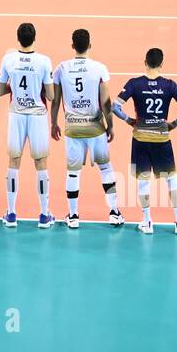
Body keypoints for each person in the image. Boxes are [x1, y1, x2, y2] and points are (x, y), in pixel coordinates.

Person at [112, 48, 177, 235]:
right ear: (161, 63)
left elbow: (115, 107)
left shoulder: (134, 84)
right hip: (161, 139)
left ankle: (147, 221)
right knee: (171, 179)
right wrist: (173, 124)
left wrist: (128, 120)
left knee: (143, 181)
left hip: (140, 138)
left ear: (145, 62)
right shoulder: (169, 85)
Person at [50, 28, 120, 229]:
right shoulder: (99, 68)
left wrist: (54, 123)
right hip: (96, 129)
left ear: (73, 46)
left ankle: (73, 216)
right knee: (106, 169)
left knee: (73, 173)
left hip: (73, 129)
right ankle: (114, 212)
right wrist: (111, 126)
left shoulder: (61, 68)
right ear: (90, 45)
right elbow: (106, 102)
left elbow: (56, 101)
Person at [0, 22, 56, 229]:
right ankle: (43, 214)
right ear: (35, 38)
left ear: (17, 38)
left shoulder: (8, 59)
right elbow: (50, 95)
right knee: (41, 163)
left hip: (16, 114)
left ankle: (11, 213)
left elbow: (0, 91)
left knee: (14, 161)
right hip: (38, 115)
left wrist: (14, 82)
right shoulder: (44, 62)